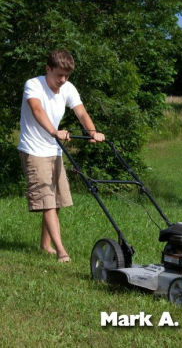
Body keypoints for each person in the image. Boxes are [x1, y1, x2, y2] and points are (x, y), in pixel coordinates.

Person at [18, 49, 105, 262]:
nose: (63, 80)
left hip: (54, 150)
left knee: (56, 201)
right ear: (48, 69)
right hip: (33, 149)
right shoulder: (33, 85)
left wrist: (92, 132)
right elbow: (37, 110)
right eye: (59, 75)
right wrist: (54, 131)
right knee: (46, 201)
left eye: (67, 76)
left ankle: (45, 245)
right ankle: (61, 251)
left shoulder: (67, 87)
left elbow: (81, 112)